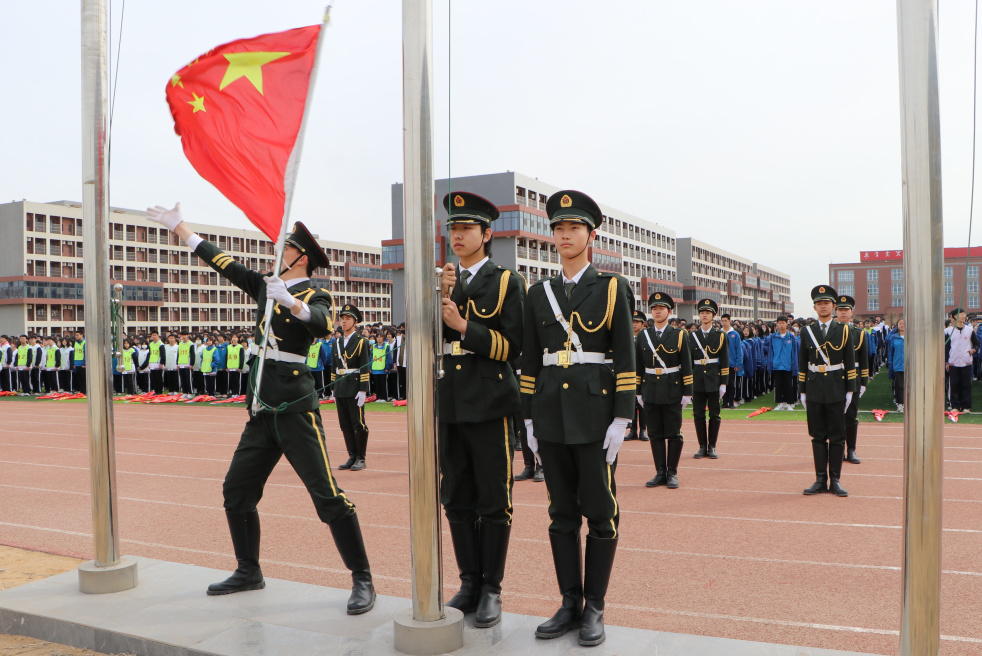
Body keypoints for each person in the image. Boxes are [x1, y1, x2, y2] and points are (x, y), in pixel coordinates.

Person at [146, 203, 375, 615]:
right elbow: (225, 263)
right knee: (236, 491)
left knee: (327, 497)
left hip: (295, 411)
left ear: (300, 257)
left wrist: (290, 302)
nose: (278, 250)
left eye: (285, 247)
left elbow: (322, 323)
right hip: (262, 411)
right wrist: (181, 229)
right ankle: (249, 570)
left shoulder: (312, 293)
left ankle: (363, 578)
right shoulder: (266, 285)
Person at [519, 190, 635, 646]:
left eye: (574, 229)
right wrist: (528, 418)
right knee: (561, 513)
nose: (564, 236)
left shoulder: (611, 287)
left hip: (594, 414)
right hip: (550, 414)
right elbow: (530, 359)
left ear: (591, 235)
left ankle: (596, 607)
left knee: (601, 513)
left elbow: (624, 354)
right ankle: (569, 602)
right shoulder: (538, 292)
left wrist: (622, 418)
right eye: (558, 229)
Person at [437, 191, 526, 628]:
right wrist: (441, 301)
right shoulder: (443, 281)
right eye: (452, 228)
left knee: (493, 498)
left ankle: (492, 587)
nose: (457, 235)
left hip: (491, 402)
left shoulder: (507, 281)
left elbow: (513, 347)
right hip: (451, 401)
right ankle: (469, 582)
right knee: (455, 497)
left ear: (486, 234)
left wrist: (462, 327)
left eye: (466, 228)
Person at [799, 285, 856, 497]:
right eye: (819, 303)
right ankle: (820, 479)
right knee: (817, 436)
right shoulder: (807, 332)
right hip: (814, 387)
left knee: (837, 436)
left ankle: (836, 480)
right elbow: (802, 362)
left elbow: (850, 361)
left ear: (833, 306)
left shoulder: (843, 330)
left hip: (836, 387)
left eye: (827, 303)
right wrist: (802, 390)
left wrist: (851, 390)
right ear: (814, 307)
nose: (823, 306)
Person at [638, 293, 693, 487]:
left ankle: (672, 472)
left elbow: (686, 364)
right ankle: (660, 472)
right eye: (654, 309)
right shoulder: (643, 335)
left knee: (674, 432)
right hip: (650, 388)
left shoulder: (679, 334)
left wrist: (688, 392)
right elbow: (638, 365)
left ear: (669, 312)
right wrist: (638, 391)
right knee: (654, 432)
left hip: (672, 388)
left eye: (661, 309)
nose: (657, 312)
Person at [331, 304, 371, 471]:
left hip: (355, 387)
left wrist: (363, 390)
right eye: (342, 318)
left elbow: (364, 367)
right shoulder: (337, 342)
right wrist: (333, 387)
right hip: (340, 386)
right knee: (345, 424)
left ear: (355, 322)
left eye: (348, 318)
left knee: (358, 423)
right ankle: (352, 456)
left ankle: (361, 458)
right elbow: (333, 366)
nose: (344, 321)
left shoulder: (362, 342)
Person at [688, 299, 728, 459]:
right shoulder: (691, 336)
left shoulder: (720, 336)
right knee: (698, 414)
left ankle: (712, 446)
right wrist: (688, 384)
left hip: (714, 379)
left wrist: (724, 383)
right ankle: (701, 446)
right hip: (697, 379)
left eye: (707, 313)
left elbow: (725, 360)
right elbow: (688, 362)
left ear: (713, 316)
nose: (704, 315)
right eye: (702, 313)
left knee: (715, 414)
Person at [835, 296, 867, 464]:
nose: (843, 313)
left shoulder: (859, 333)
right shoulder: (831, 331)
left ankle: (852, 449)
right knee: (836, 416)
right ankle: (838, 450)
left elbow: (863, 359)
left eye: (846, 310)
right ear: (836, 311)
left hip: (852, 377)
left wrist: (863, 383)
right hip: (834, 378)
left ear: (851, 312)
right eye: (840, 310)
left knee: (851, 415)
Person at [945, 307, 978, 413]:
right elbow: (946, 347)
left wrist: (974, 350)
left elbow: (977, 343)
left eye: (964, 314)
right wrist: (946, 361)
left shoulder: (969, 330)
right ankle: (955, 405)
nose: (964, 316)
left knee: (966, 384)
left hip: (966, 361)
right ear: (955, 316)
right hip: (953, 361)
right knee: (954, 384)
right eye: (961, 314)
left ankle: (966, 406)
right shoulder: (948, 331)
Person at [624, 310, 649, 442]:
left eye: (637, 322)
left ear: (642, 324)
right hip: (629, 374)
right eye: (632, 322)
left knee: (642, 403)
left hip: (643, 374)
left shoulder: (646, 337)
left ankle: (643, 429)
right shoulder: (626, 337)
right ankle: (633, 429)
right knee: (632, 403)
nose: (634, 324)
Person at [767, 316, 799, 410]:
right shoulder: (773, 337)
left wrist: (794, 365)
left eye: (783, 323)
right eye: (779, 323)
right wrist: (771, 364)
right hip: (777, 365)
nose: (781, 325)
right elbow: (770, 352)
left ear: (787, 324)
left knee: (789, 385)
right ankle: (780, 403)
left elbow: (794, 352)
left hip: (788, 365)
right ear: (776, 324)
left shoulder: (791, 337)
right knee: (778, 385)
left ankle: (789, 403)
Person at [721, 314, 742, 408]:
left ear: (730, 321)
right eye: (723, 321)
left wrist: (738, 363)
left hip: (732, 363)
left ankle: (731, 402)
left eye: (726, 320)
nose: (724, 322)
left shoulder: (735, 334)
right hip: (720, 363)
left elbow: (739, 350)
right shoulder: (719, 333)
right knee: (722, 383)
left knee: (731, 383)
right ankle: (724, 403)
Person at [887, 318, 906, 411]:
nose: (902, 325)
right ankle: (900, 403)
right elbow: (890, 352)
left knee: (910, 385)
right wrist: (890, 364)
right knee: (899, 385)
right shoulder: (893, 337)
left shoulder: (912, 337)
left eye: (904, 323)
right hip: (898, 365)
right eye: (900, 323)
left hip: (910, 366)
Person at [369, 331, 392, 401]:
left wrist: (388, 366)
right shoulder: (373, 346)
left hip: (383, 368)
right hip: (375, 367)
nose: (379, 339)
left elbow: (388, 357)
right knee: (377, 384)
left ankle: (384, 397)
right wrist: (370, 367)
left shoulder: (386, 346)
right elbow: (371, 357)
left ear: (383, 338)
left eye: (380, 337)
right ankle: (378, 397)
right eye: (378, 337)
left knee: (383, 384)